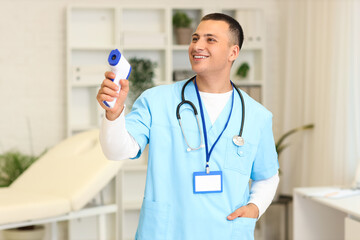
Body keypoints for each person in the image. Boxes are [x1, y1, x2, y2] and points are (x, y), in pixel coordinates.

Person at [97, 13, 279, 240]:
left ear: (234, 52)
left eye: (210, 39)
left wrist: (256, 207)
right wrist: (114, 114)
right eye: (195, 38)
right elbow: (116, 151)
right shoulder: (157, 100)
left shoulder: (256, 116)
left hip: (227, 231)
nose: (197, 46)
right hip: (168, 231)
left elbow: (267, 175)